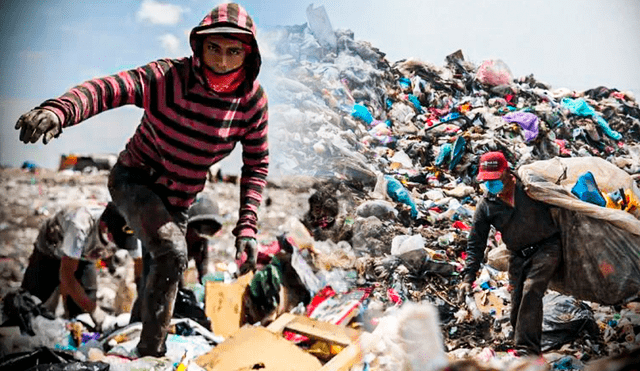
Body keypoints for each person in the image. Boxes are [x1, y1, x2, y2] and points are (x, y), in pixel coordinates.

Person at [14, 3, 269, 357]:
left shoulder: (251, 103)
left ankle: (142, 353)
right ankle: (151, 355)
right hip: (134, 180)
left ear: (248, 54)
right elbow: (108, 89)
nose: (222, 63)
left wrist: (247, 228)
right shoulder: (167, 79)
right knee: (172, 251)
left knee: (160, 276)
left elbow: (256, 164)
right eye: (214, 49)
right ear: (199, 47)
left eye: (233, 52)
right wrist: (60, 110)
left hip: (177, 202)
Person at [459, 151, 562, 356]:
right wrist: (468, 277)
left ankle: (528, 352)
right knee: (516, 303)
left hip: (547, 247)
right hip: (518, 255)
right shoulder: (487, 205)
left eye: (495, 179)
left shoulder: (530, 188)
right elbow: (476, 243)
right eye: (486, 181)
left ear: (507, 173)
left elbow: (561, 202)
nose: (490, 185)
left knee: (531, 290)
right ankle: (521, 342)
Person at [21, 202, 140, 331]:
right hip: (50, 251)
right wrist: (95, 311)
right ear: (103, 226)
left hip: (85, 255)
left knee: (82, 313)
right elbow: (66, 275)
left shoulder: (129, 227)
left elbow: (141, 270)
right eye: (116, 239)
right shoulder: (79, 224)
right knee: (31, 307)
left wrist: (143, 307)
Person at [129, 193, 223, 323]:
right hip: (155, 252)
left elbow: (203, 272)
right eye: (200, 229)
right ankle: (137, 322)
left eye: (208, 231)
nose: (202, 236)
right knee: (149, 290)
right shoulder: (168, 236)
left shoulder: (200, 243)